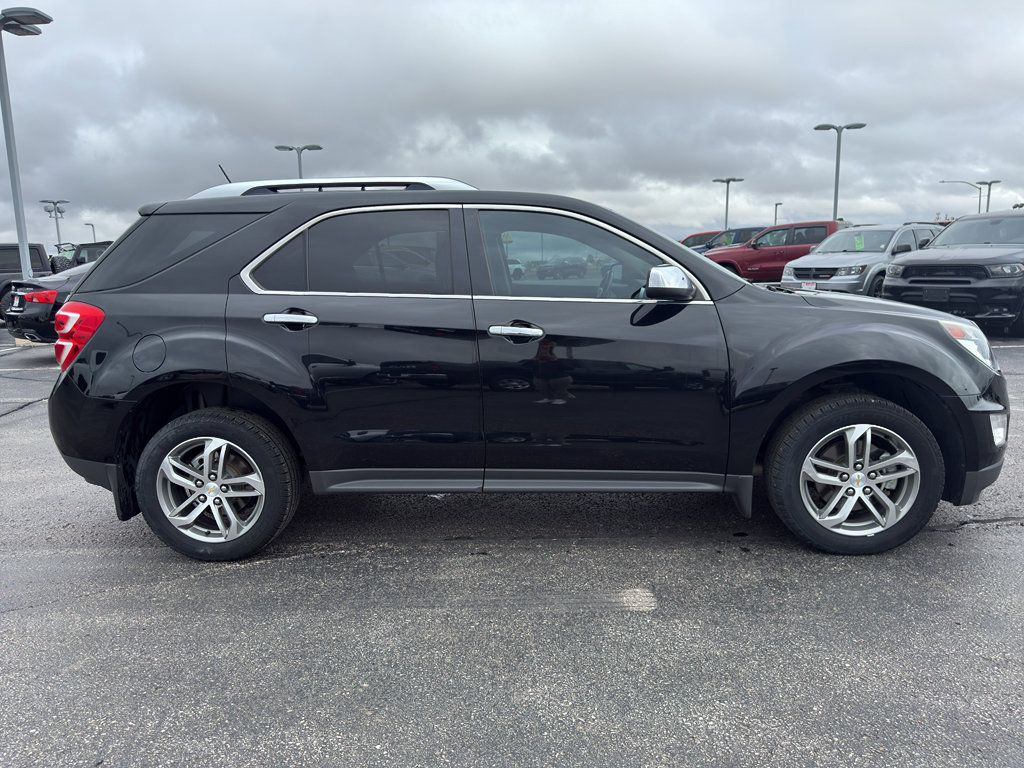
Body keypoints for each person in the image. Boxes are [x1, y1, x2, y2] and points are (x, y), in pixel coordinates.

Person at [528, 339, 573, 404]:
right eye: (542, 349)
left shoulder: (557, 359)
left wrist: (554, 361)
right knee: (540, 383)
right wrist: (533, 359)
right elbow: (526, 365)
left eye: (546, 349)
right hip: (542, 377)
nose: (544, 351)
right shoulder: (537, 359)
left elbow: (570, 368)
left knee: (556, 382)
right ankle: (548, 398)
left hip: (559, 378)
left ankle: (560, 399)